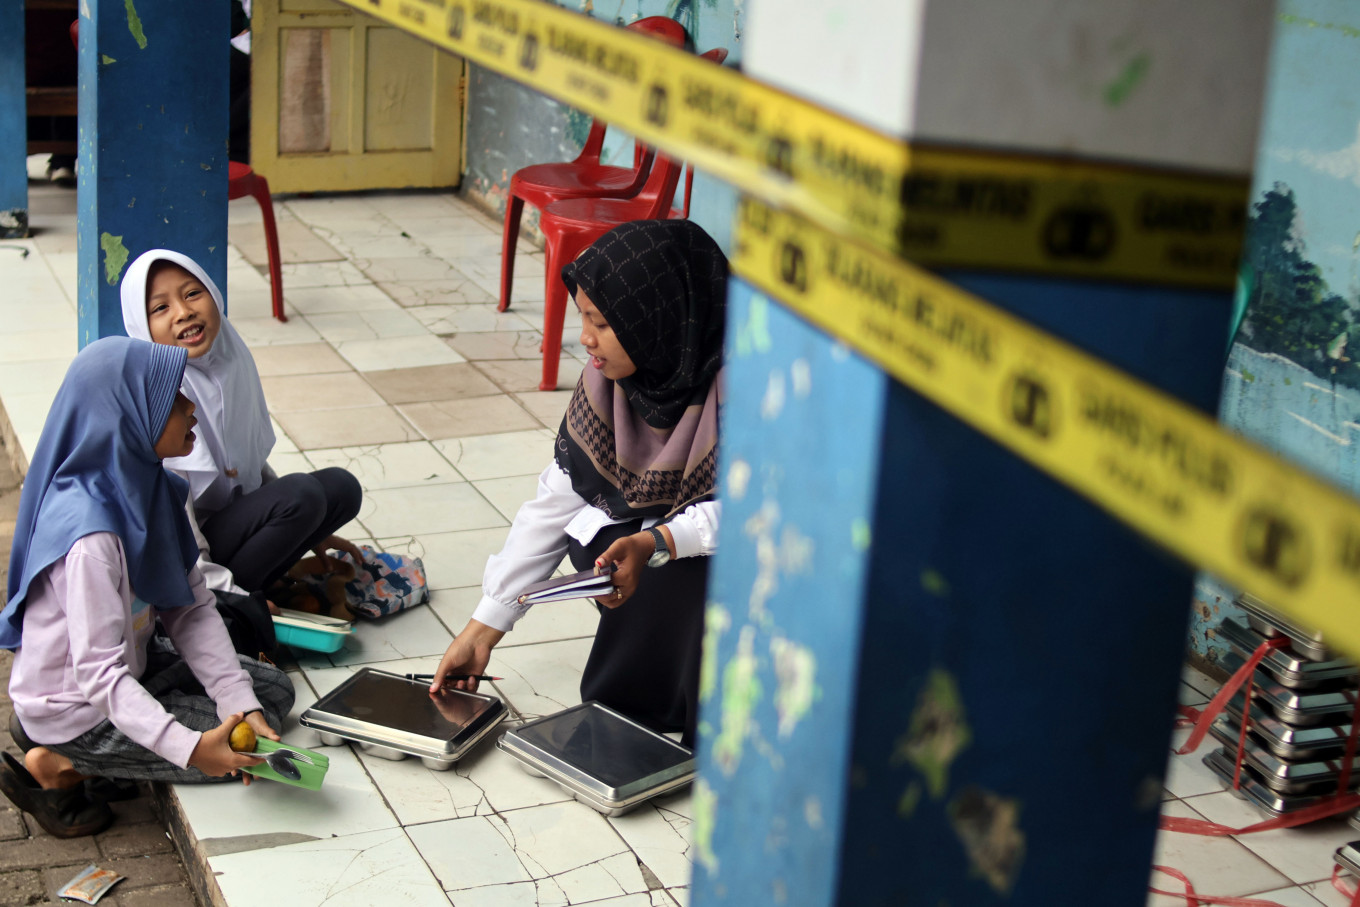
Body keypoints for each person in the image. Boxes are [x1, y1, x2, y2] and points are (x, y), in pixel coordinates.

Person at [431, 219, 727, 747]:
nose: (586, 339)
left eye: (603, 324)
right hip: (671, 529)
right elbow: (558, 498)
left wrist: (657, 541)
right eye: (583, 318)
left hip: (746, 543)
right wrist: (484, 628)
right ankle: (640, 705)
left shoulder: (740, 384)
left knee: (674, 565)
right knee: (594, 540)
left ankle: (690, 712)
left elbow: (762, 510)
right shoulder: (609, 383)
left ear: (657, 320)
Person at [0, 337, 295, 838]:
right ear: (127, 417)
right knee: (241, 749)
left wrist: (234, 700)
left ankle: (115, 739)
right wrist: (190, 749)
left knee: (269, 693)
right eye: (175, 401)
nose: (192, 410)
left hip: (130, 664)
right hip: (79, 705)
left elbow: (192, 609)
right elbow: (97, 673)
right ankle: (58, 763)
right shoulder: (90, 539)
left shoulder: (154, 486)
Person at [119, 249, 363, 607]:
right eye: (160, 308)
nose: (183, 312)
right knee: (303, 495)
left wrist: (311, 532)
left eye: (191, 294)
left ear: (214, 296)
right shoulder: (161, 394)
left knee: (340, 488)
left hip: (232, 529)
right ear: (142, 325)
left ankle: (261, 581)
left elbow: (245, 463)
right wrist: (228, 593)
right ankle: (236, 603)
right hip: (186, 554)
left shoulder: (231, 358)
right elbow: (175, 520)